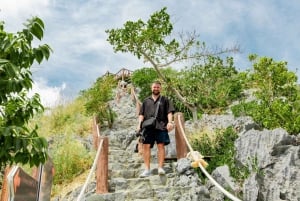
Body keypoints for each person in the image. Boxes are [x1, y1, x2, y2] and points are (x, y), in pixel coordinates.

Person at [137, 81, 175, 177]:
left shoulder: (165, 100)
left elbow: (169, 112)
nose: (156, 89)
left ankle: (160, 168)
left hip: (161, 125)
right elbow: (141, 114)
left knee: (161, 146)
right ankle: (147, 169)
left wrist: (170, 122)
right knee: (146, 147)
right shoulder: (146, 101)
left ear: (160, 88)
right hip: (148, 127)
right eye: (154, 87)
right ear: (151, 88)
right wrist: (139, 125)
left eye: (158, 87)